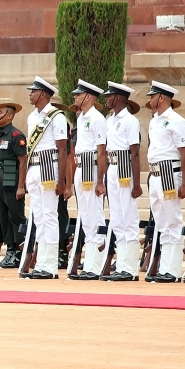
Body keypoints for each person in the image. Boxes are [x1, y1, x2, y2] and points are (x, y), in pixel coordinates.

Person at [21, 76, 69, 280]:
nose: (30, 94)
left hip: (50, 166)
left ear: (43, 94)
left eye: (33, 91)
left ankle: (50, 266)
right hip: (34, 167)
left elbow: (63, 148)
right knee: (38, 216)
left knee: (49, 215)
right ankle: (41, 262)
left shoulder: (56, 116)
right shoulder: (32, 117)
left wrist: (63, 181)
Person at [143, 82, 185, 283]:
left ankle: (173, 270)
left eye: (152, 96)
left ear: (161, 97)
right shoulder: (154, 121)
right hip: (155, 174)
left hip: (170, 173)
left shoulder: (176, 120)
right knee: (162, 222)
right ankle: (165, 268)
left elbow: (184, 153)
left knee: (172, 220)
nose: (149, 99)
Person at [64, 81, 108, 280]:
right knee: (86, 215)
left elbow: (101, 151)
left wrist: (100, 180)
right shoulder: (81, 118)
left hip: (92, 167)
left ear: (88, 96)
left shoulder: (97, 118)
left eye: (78, 94)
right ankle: (89, 264)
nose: (75, 97)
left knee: (95, 214)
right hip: (81, 167)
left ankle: (96, 265)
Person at [100, 83, 142, 282]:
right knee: (116, 218)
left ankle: (131, 268)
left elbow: (134, 152)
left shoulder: (130, 120)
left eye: (109, 96)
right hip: (113, 166)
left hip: (125, 166)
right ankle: (122, 265)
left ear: (118, 98)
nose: (106, 99)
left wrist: (137, 184)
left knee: (128, 217)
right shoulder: (110, 120)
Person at [0, 99, 27, 269]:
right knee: (3, 215)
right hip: (0, 176)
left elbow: (23, 161)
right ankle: (10, 249)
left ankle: (20, 250)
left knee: (15, 216)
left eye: (0, 112)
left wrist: (21, 186)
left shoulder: (16, 135)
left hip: (12, 178)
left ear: (9, 115)